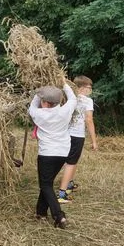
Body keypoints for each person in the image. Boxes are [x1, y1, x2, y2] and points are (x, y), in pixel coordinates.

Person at [29, 83, 77, 228]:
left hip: (47, 154)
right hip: (62, 152)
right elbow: (73, 99)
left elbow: (32, 104)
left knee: (45, 184)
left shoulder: (38, 113)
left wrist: (40, 92)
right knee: (47, 182)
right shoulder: (65, 111)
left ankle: (59, 216)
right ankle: (41, 212)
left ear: (45, 102)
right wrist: (64, 84)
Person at [57, 75, 98, 203]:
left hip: (65, 134)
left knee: (70, 160)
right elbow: (89, 120)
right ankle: (62, 194)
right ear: (80, 88)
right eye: (88, 87)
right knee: (71, 163)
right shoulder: (87, 101)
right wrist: (94, 141)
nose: (90, 89)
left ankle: (69, 184)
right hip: (77, 136)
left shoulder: (68, 98)